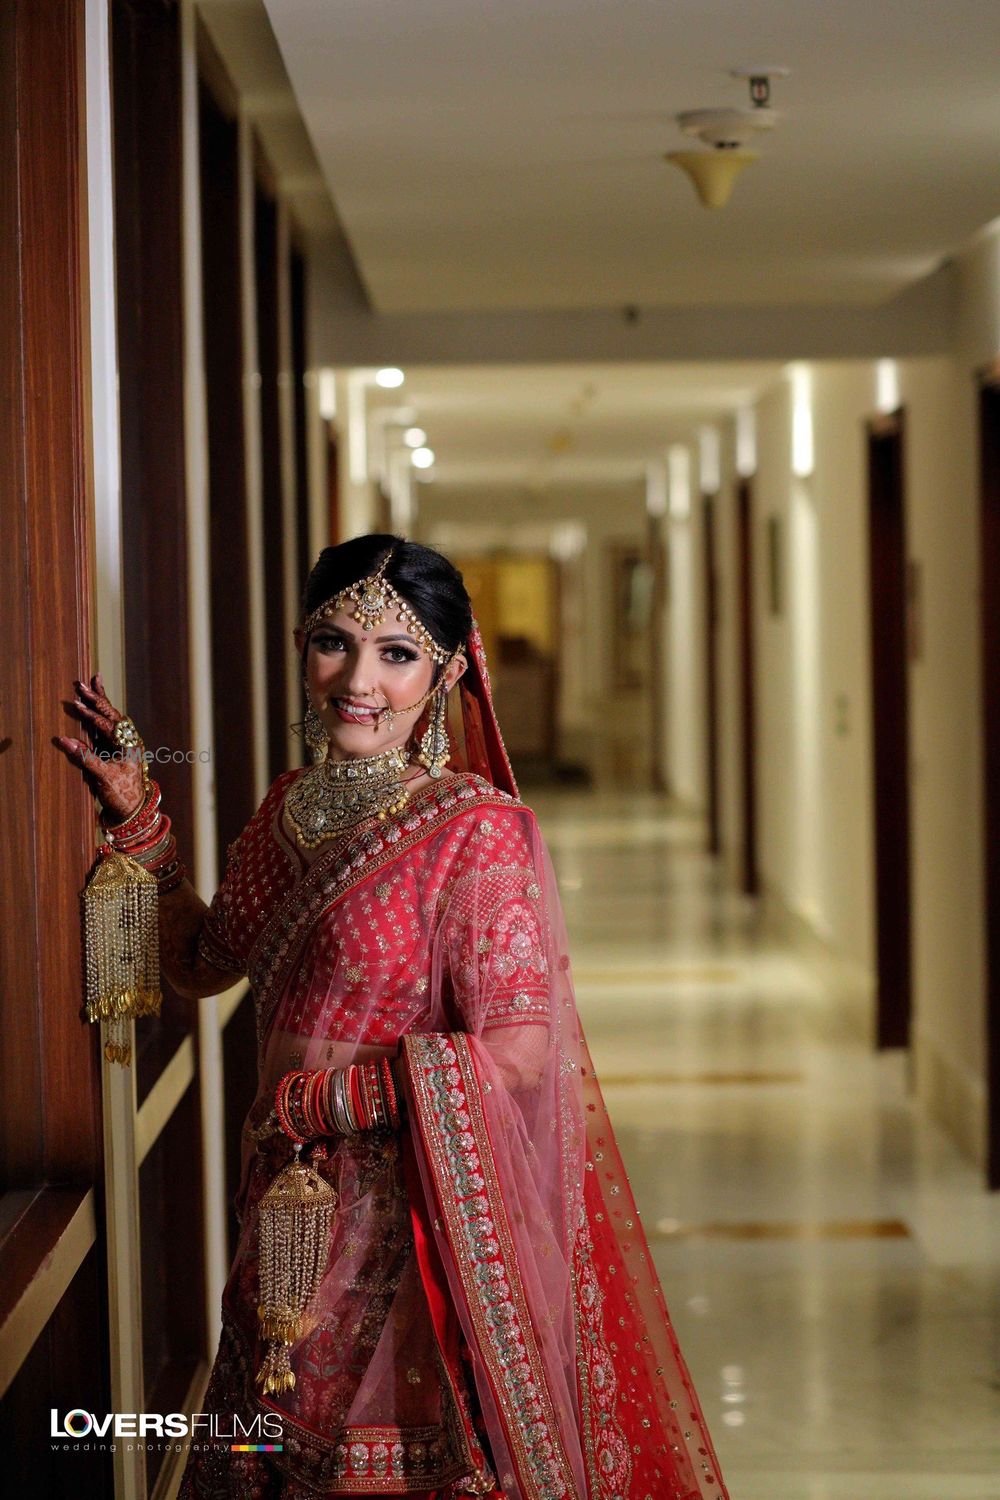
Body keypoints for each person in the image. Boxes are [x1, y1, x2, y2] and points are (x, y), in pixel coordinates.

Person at [57, 536, 728, 1500]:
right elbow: (202, 962)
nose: (358, 681)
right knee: (267, 1449)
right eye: (334, 642)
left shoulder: (477, 832)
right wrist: (137, 818)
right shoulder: (288, 809)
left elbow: (519, 1054)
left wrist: (332, 1101)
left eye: (397, 653)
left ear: (447, 674)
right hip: (283, 1208)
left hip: (409, 1224)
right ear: (302, 647)